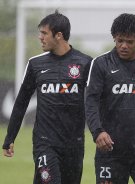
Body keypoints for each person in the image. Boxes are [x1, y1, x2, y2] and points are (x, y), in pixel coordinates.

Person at [2, 10, 93, 184]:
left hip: (74, 144)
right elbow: (21, 102)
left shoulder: (85, 63)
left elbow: (95, 101)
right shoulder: (36, 64)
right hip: (45, 142)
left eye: (44, 33)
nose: (40, 37)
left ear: (58, 35)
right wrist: (10, 137)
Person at [85, 13, 135, 184]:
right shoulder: (101, 64)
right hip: (110, 151)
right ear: (114, 37)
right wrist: (97, 131)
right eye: (120, 40)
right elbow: (90, 102)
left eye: (129, 42)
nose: (123, 46)